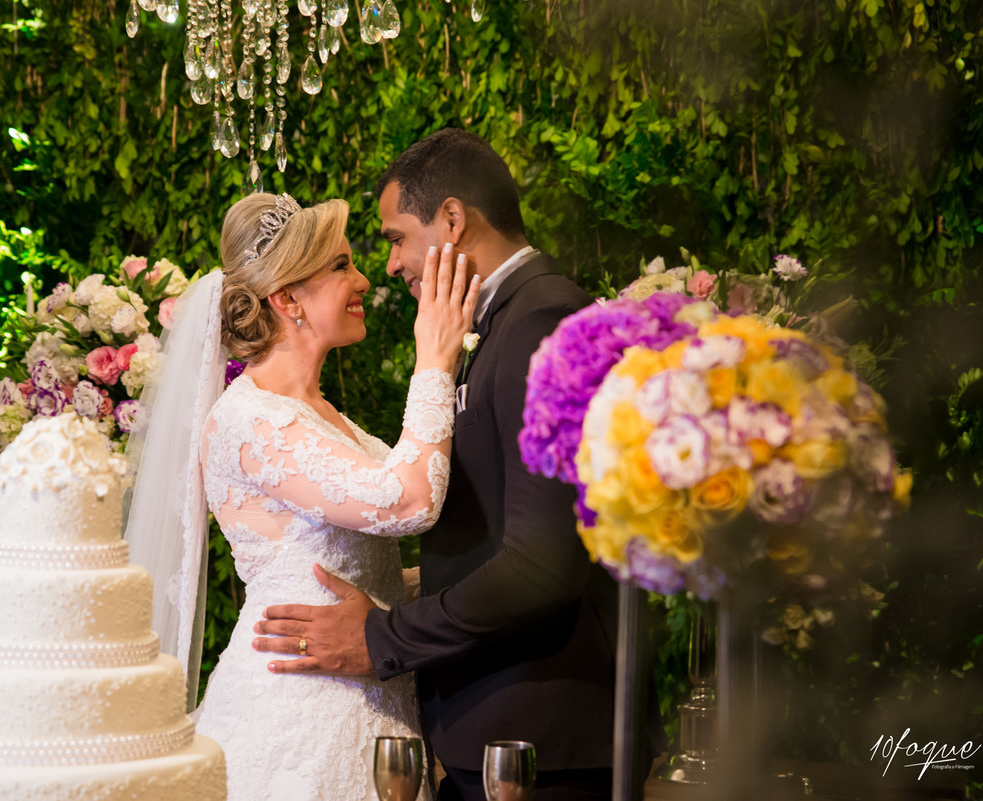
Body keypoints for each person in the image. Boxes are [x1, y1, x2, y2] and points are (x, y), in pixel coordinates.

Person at [252, 129, 660, 800]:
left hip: (542, 737)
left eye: (396, 238)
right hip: (499, 729)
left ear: (451, 219)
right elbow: (488, 530)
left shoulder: (542, 320)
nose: (390, 265)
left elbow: (543, 562)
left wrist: (383, 636)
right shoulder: (497, 321)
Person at [124, 192, 480, 801]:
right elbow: (408, 501)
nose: (364, 279)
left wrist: (441, 590)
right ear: (286, 299)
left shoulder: (321, 416)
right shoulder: (250, 421)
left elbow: (361, 563)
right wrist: (435, 358)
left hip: (367, 701)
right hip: (299, 716)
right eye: (341, 265)